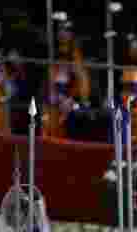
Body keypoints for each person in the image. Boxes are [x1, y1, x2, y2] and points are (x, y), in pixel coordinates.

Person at [43, 12, 91, 140]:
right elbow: (48, 80)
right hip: (52, 102)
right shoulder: (53, 52)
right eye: (60, 29)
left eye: (66, 30)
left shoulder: (75, 54)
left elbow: (82, 81)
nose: (62, 33)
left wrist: (73, 98)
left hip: (68, 103)